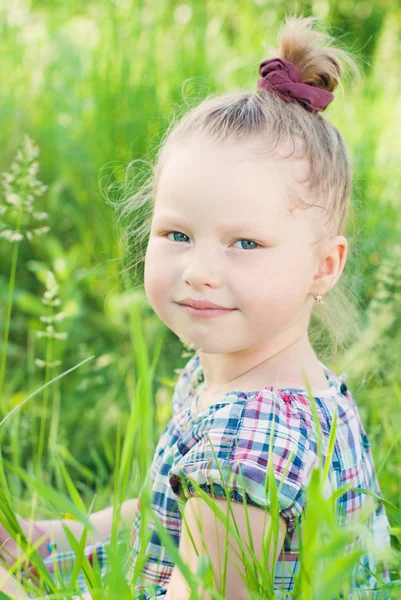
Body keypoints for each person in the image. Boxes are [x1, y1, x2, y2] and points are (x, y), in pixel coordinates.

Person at [0, 13, 394, 600]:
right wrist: (49, 540)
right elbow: (164, 513)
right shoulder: (254, 381)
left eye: (246, 244)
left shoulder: (247, 446)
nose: (200, 272)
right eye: (178, 235)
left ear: (324, 266)